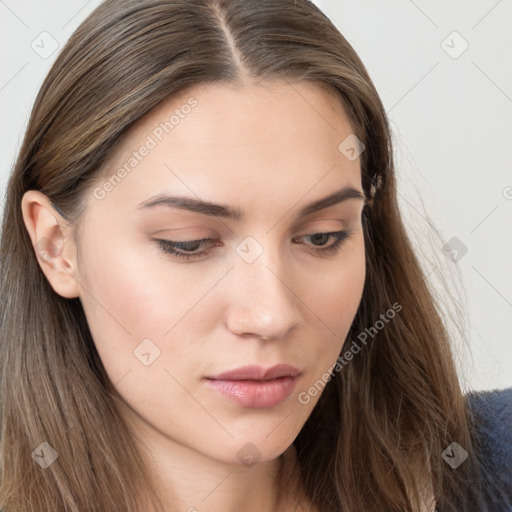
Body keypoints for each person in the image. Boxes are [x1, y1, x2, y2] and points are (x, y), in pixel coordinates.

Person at [0, 1, 510, 511]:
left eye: (321, 236)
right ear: (56, 246)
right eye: (189, 243)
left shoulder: (490, 471)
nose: (272, 314)